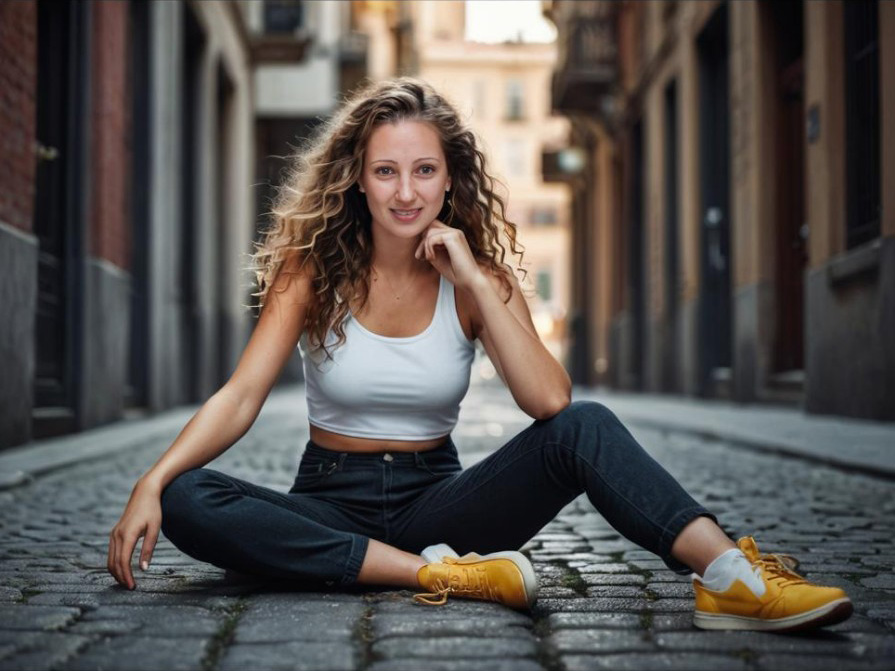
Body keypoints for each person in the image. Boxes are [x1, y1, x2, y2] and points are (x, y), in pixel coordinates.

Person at [108, 77, 852, 632]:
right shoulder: (311, 271)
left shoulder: (477, 282)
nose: (406, 192)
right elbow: (240, 396)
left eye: (424, 170)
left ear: (449, 176)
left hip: (443, 501)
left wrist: (471, 278)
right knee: (188, 497)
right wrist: (154, 477)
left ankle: (728, 576)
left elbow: (548, 404)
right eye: (386, 171)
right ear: (357, 180)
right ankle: (436, 576)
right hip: (329, 499)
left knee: (587, 422)